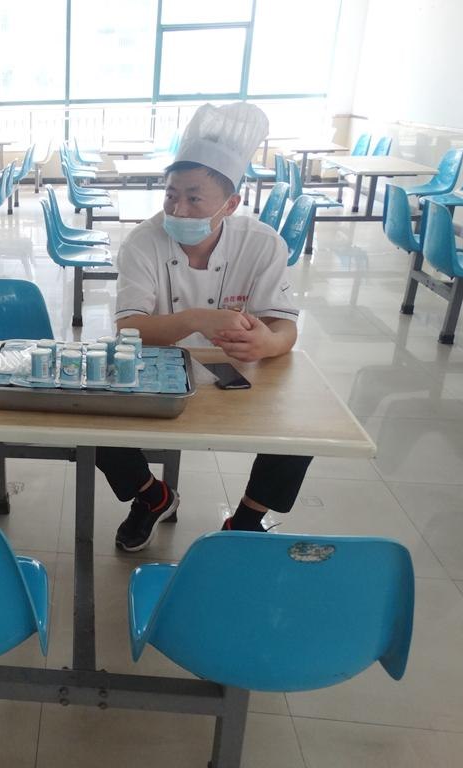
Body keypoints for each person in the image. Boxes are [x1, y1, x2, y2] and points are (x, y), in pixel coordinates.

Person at [102, 102, 311, 551]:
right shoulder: (143, 242)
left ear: (231, 204)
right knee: (93, 421)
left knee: (299, 429)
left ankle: (247, 520)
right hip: (155, 367)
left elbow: (285, 326)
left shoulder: (262, 244)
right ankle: (151, 496)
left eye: (194, 198)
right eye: (171, 194)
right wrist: (196, 318)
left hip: (236, 371)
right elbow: (129, 328)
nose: (178, 208)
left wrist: (267, 343)